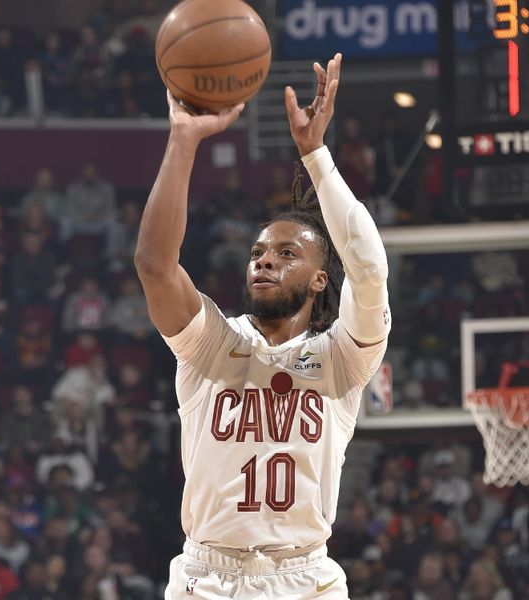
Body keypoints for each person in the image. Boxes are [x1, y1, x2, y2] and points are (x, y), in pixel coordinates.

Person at [134, 53, 391, 599]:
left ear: (321, 279)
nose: (264, 259)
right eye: (257, 251)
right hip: (209, 579)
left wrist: (316, 155)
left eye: (286, 252)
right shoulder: (210, 343)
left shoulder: (342, 359)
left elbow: (368, 267)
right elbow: (155, 265)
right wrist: (183, 137)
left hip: (307, 579)